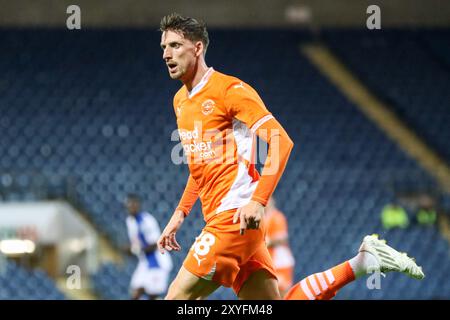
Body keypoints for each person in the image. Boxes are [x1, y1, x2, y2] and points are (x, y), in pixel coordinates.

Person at [157, 13, 424, 300]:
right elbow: (200, 165)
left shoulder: (230, 90)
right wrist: (179, 213)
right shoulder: (180, 101)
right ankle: (362, 264)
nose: (166, 54)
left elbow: (281, 142)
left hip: (234, 217)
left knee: (177, 299)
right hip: (231, 223)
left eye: (174, 45)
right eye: (163, 47)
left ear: (197, 48)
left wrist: (258, 202)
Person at [125, 194, 173, 299]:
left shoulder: (147, 220)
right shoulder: (130, 221)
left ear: (138, 205)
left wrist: (135, 250)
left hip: (158, 263)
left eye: (134, 204)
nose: (131, 206)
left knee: (152, 295)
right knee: (136, 291)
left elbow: (155, 244)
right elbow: (135, 244)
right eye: (129, 204)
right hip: (145, 263)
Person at [265, 197, 295, 296]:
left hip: (280, 262)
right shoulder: (261, 218)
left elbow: (282, 239)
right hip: (269, 262)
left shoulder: (277, 217)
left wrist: (267, 242)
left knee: (283, 293)